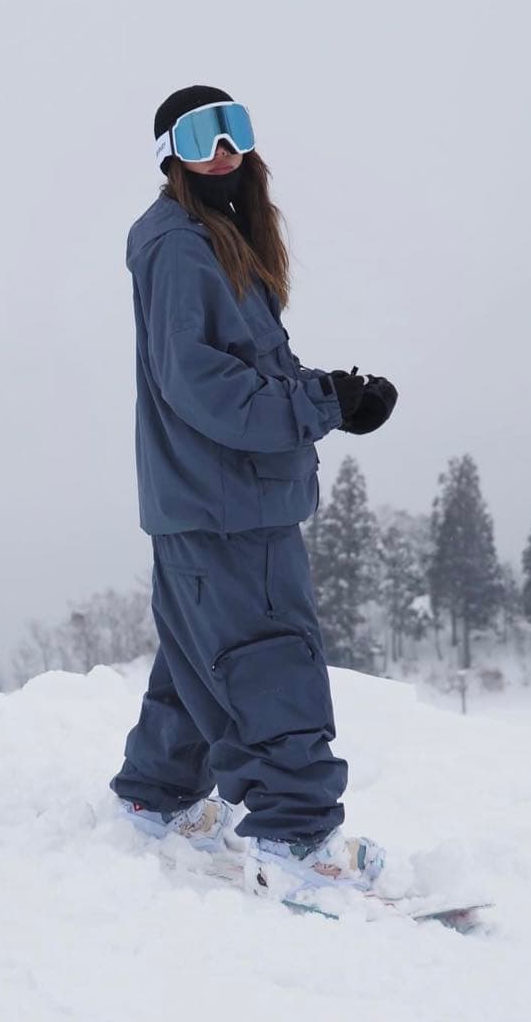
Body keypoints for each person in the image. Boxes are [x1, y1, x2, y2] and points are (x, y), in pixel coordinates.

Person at [108, 85, 399, 899]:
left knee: (200, 656)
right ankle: (295, 840)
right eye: (203, 135)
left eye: (235, 130)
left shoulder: (213, 238)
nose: (224, 151)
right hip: (229, 502)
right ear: (169, 154)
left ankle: (155, 796)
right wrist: (318, 406)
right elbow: (200, 384)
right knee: (271, 659)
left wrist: (335, 392)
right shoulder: (181, 246)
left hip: (208, 500)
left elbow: (247, 364)